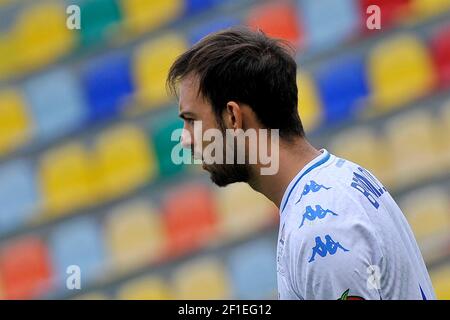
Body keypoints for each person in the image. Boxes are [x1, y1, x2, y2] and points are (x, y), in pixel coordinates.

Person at [166, 26, 435, 300]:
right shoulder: (337, 180)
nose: (186, 140)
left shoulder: (322, 233)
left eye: (192, 120)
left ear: (233, 117)